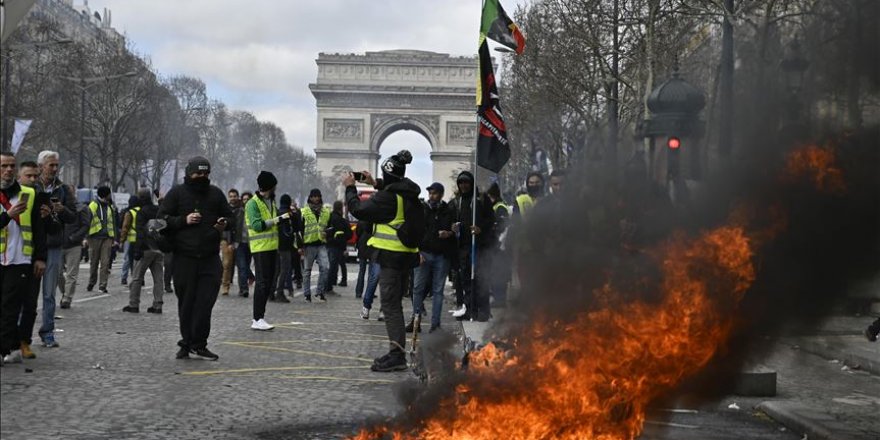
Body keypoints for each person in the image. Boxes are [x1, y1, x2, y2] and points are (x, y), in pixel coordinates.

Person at [345, 150, 425, 372]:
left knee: (390, 305)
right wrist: (376, 182)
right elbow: (393, 190)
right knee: (395, 304)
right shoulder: (406, 193)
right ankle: (396, 351)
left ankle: (397, 354)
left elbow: (358, 209)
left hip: (390, 258)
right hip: (405, 256)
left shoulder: (387, 198)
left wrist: (351, 187)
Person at [158, 156, 232, 360]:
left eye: (206, 174)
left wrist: (223, 224)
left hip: (209, 257)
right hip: (184, 257)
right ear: (189, 173)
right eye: (198, 173)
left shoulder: (216, 194)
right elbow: (160, 220)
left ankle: (199, 343)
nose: (202, 177)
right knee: (187, 302)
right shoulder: (176, 194)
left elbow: (231, 218)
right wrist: (183, 220)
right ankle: (186, 343)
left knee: (205, 302)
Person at [1, 152, 47, 364]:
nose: (8, 170)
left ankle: (7, 349)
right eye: (4, 166)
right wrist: (7, 216)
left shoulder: (29, 194)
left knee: (10, 306)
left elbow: (39, 229)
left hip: (19, 259)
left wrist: (40, 257)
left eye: (12, 166)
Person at [15, 161, 58, 357]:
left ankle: (24, 341)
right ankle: (9, 342)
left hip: (32, 257)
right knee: (9, 304)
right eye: (28, 176)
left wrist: (50, 216)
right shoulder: (10, 196)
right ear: (19, 177)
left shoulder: (41, 198)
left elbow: (49, 231)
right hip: (11, 258)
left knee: (30, 304)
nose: (32, 180)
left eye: (34, 176)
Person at [33, 151, 76, 347]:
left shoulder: (63, 189)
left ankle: (47, 332)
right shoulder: (31, 186)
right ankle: (19, 332)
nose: (54, 169)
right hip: (32, 244)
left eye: (56, 165)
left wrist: (62, 210)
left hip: (53, 245)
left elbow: (73, 216)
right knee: (27, 294)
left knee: (49, 293)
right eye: (51, 165)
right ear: (41, 165)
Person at [407, 182, 454, 333]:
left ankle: (435, 324)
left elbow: (453, 229)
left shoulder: (448, 210)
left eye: (434, 193)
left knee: (438, 291)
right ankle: (416, 321)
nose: (431, 196)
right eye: (430, 193)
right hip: (424, 253)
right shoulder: (422, 209)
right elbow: (415, 231)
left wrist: (450, 233)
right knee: (417, 288)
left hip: (441, 254)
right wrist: (417, 252)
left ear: (441, 194)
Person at [449, 171, 495, 321]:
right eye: (461, 182)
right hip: (463, 247)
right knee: (466, 280)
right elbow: (450, 219)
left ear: (471, 183)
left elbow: (491, 220)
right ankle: (469, 309)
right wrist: (452, 227)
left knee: (481, 279)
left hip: (479, 246)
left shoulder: (482, 199)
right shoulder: (457, 201)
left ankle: (483, 310)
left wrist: (480, 228)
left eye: (466, 182)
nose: (463, 185)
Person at [246, 171, 284, 330]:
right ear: (269, 186)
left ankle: (260, 317)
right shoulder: (252, 203)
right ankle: (257, 318)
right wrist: (277, 220)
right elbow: (257, 225)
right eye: (274, 186)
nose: (276, 188)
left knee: (268, 282)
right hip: (260, 248)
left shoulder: (270, 201)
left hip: (271, 247)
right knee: (262, 283)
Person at [123, 189, 164, 314]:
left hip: (145, 248)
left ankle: (133, 304)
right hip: (158, 248)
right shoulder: (158, 210)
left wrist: (138, 249)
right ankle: (157, 305)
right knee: (158, 279)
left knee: (137, 278)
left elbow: (141, 232)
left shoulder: (142, 212)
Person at [300, 188, 331, 302]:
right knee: (307, 270)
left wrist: (328, 232)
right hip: (308, 244)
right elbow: (300, 229)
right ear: (310, 197)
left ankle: (319, 292)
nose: (316, 198)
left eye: (318, 196)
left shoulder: (326, 212)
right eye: (314, 196)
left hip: (321, 244)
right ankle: (307, 294)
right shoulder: (304, 211)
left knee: (325, 268)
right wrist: (300, 246)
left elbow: (330, 227)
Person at [59, 195, 90, 309]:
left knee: (71, 273)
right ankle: (64, 292)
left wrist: (75, 237)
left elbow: (86, 225)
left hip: (74, 245)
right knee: (57, 273)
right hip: (59, 244)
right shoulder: (58, 207)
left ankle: (67, 298)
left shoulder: (81, 208)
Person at [86, 186, 118, 294]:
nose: (110, 196)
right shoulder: (93, 205)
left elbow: (113, 223)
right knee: (94, 263)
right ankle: (92, 281)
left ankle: (102, 285)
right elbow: (87, 221)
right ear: (105, 194)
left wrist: (114, 238)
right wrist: (85, 237)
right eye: (109, 193)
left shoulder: (110, 207)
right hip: (94, 237)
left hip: (107, 238)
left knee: (105, 263)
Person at [486, 182, 511, 307]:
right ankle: (497, 298)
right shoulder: (497, 206)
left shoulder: (500, 207)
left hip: (500, 246)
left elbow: (503, 226)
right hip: (495, 245)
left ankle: (500, 299)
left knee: (499, 273)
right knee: (495, 272)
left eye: (489, 197)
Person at [355, 219, 381, 321]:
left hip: (375, 248)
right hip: (375, 248)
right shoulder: (372, 215)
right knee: (373, 277)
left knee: (374, 276)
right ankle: (366, 305)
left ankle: (361, 296)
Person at [272, 194, 296, 303]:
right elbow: (290, 230)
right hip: (285, 246)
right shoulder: (287, 215)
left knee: (276, 270)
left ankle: (271, 292)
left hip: (276, 244)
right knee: (284, 270)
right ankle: (280, 292)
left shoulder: (277, 213)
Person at [326, 200, 352, 293]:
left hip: (329, 245)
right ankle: (328, 287)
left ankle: (329, 284)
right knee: (333, 266)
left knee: (331, 266)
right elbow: (349, 234)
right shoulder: (341, 221)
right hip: (338, 246)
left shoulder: (329, 218)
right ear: (341, 209)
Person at [234, 191, 255, 297]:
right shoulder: (238, 212)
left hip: (250, 243)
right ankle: (244, 288)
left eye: (248, 199)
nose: (246, 201)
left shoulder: (254, 212)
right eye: (244, 199)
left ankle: (245, 284)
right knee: (242, 266)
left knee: (245, 265)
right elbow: (233, 227)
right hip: (240, 243)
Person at [220, 188, 240, 296]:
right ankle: (225, 285)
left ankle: (243, 287)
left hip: (240, 239)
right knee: (226, 263)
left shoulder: (242, 209)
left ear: (237, 197)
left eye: (234, 196)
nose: (232, 198)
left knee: (241, 264)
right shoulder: (225, 209)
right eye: (231, 196)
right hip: (226, 239)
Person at [118, 194, 140, 286]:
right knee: (138, 259)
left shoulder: (128, 212)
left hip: (129, 238)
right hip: (140, 238)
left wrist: (121, 240)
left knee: (127, 258)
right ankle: (138, 277)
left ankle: (124, 277)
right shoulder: (142, 210)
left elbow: (125, 227)